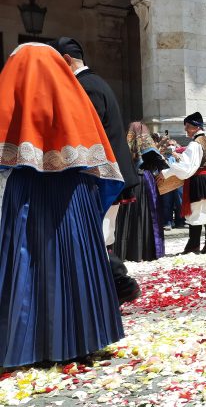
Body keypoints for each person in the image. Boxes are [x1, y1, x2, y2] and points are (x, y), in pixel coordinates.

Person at [0, 43, 125, 367]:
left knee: (28, 260)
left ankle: (24, 346)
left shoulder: (14, 86)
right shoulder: (76, 96)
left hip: (28, 187)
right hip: (74, 189)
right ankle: (85, 337)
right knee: (76, 258)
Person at [48, 37, 141, 304]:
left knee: (92, 236)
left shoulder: (85, 87)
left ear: (65, 61)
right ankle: (108, 292)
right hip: (106, 176)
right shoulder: (94, 83)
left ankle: (119, 283)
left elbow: (84, 136)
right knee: (97, 236)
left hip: (102, 177)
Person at [158, 112, 206, 254]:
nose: (185, 129)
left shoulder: (194, 144)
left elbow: (187, 168)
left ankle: (193, 246)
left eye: (187, 126)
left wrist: (168, 167)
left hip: (199, 180)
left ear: (195, 127)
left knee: (196, 212)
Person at [113, 122, 167, 262]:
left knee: (128, 214)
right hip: (145, 181)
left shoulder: (124, 147)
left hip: (129, 181)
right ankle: (146, 250)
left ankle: (126, 251)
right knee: (145, 214)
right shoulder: (148, 147)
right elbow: (158, 163)